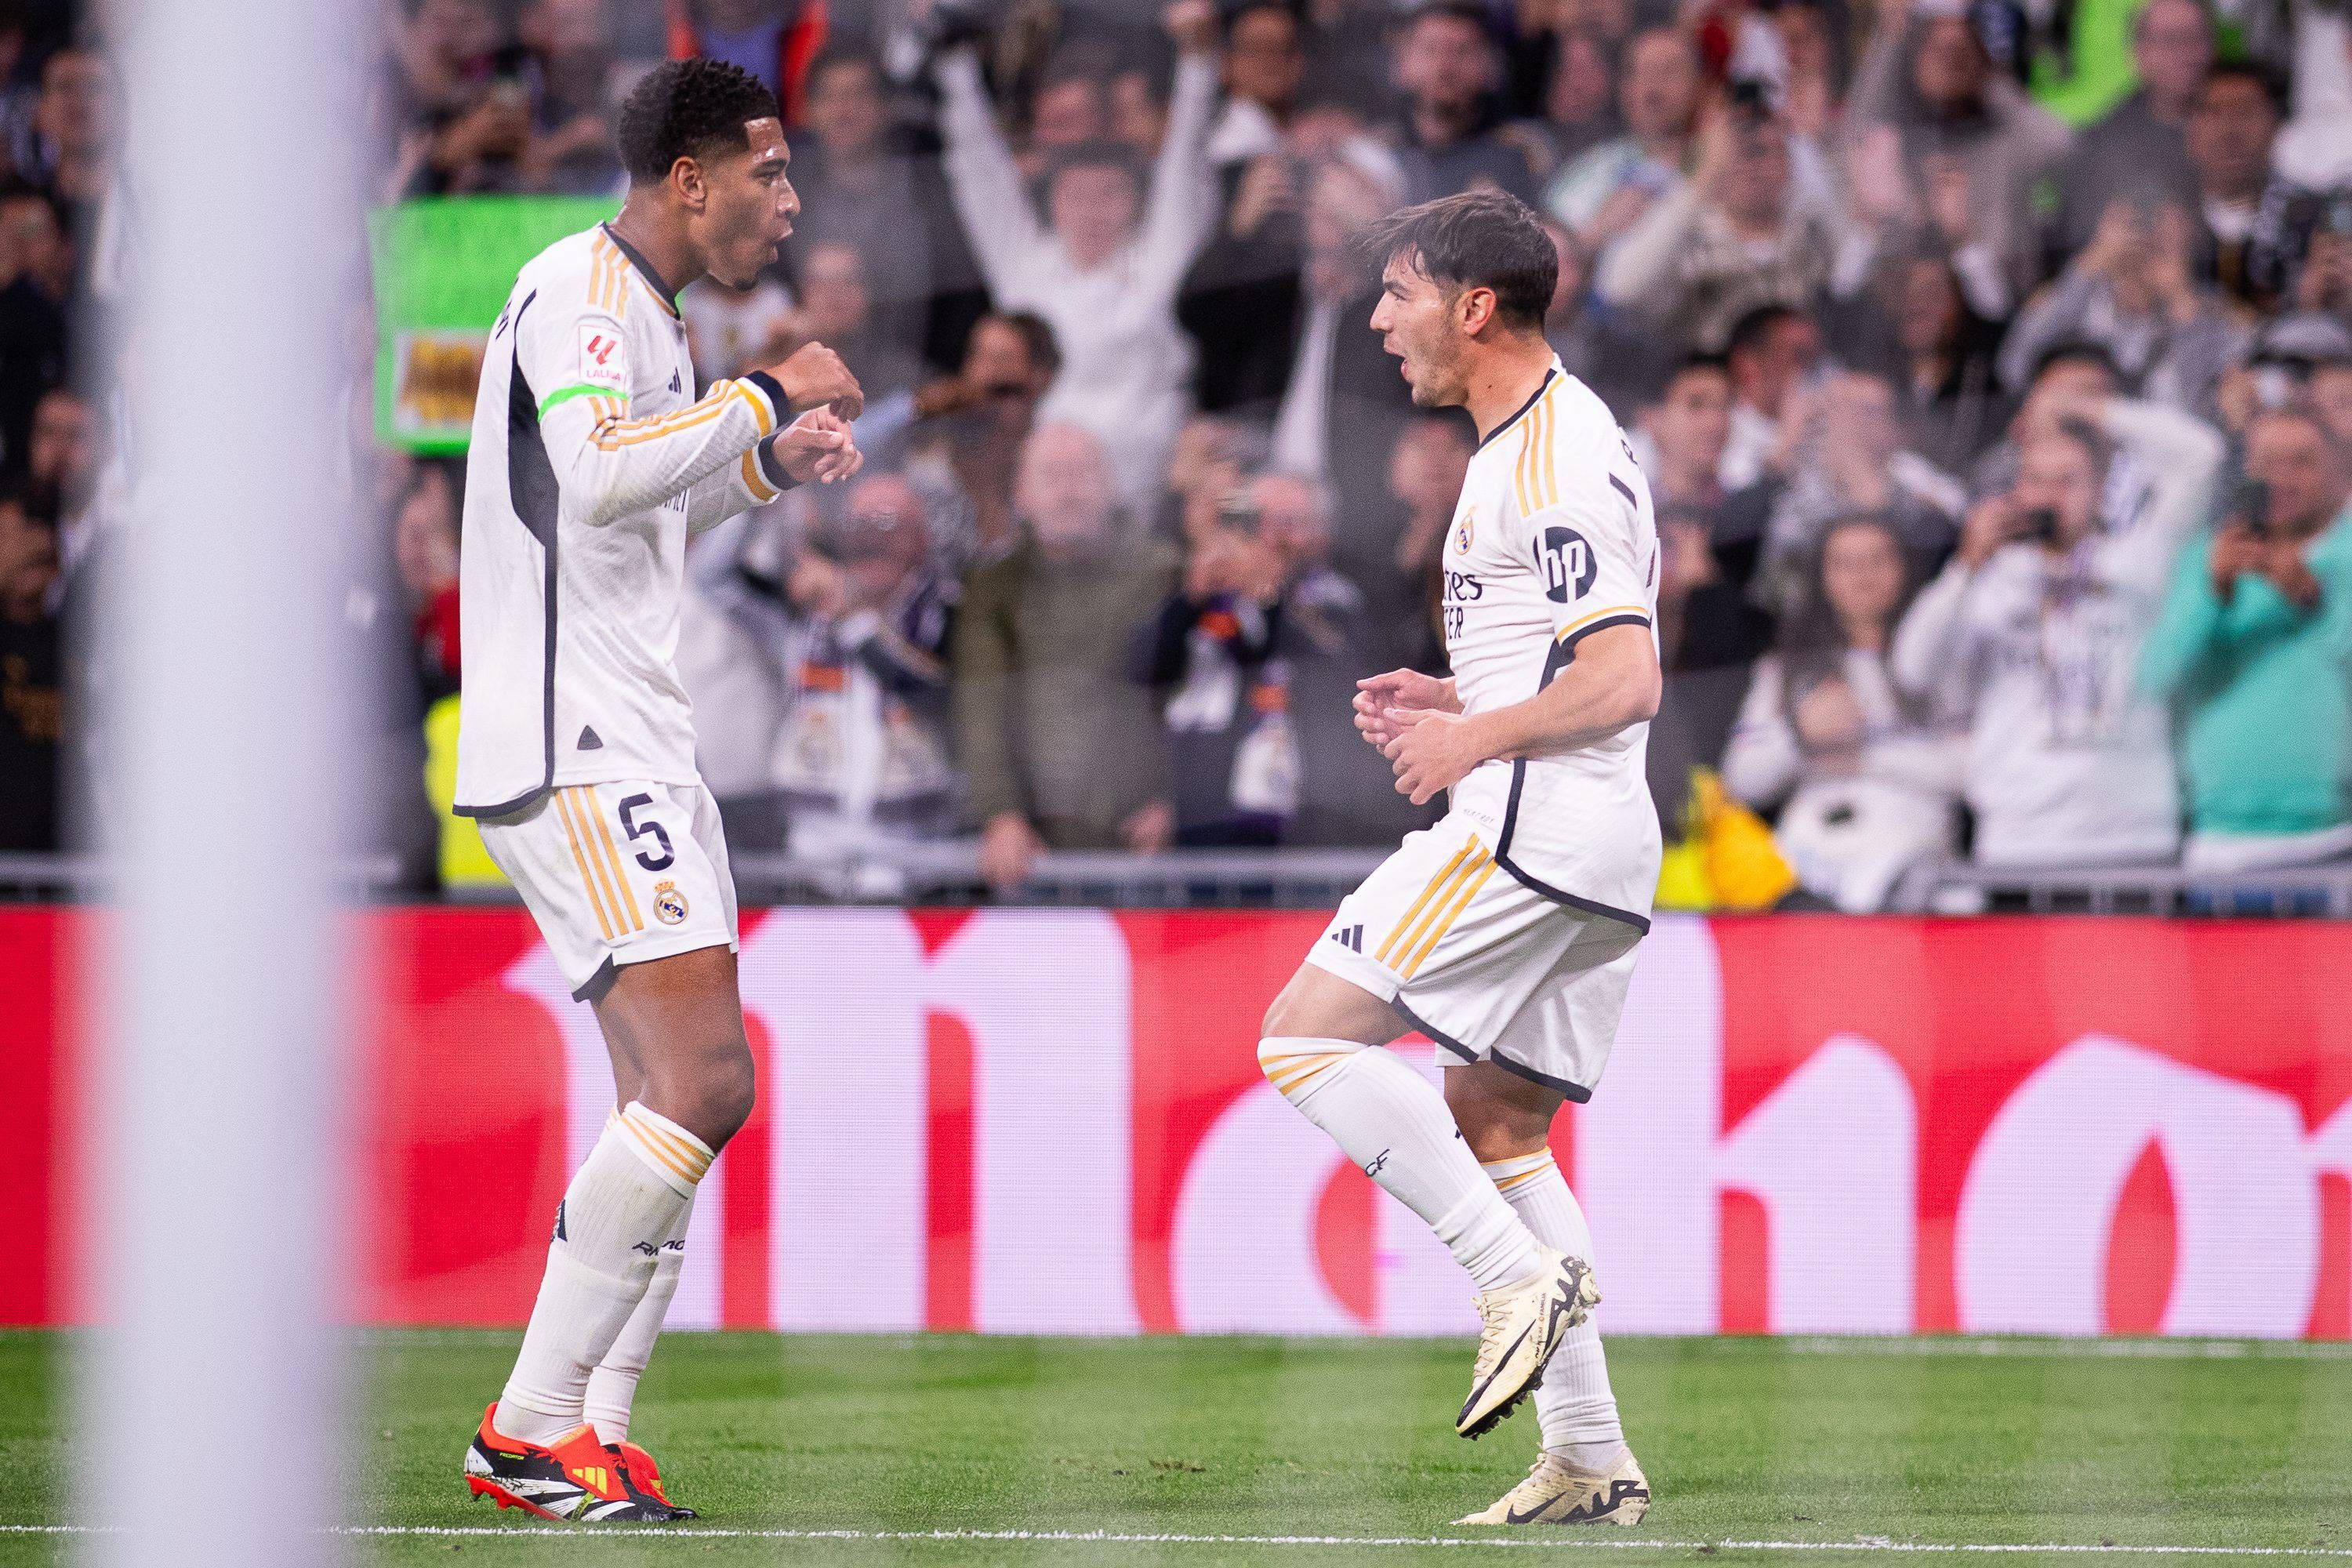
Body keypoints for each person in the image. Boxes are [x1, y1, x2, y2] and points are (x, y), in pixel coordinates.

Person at [451, 57, 867, 1524]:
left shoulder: (652, 314)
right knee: (704, 1082)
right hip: (579, 738)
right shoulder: (578, 284)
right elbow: (594, 470)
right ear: (690, 178)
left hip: (628, 729)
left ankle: (595, 1434)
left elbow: (642, 498)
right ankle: (528, 1427)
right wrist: (766, 390)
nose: (788, 197)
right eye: (769, 170)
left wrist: (764, 465)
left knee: (667, 1092)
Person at [1259, 191, 1656, 1527]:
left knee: (1303, 1042)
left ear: (1474, 308)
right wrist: (1457, 693)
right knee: (1496, 1124)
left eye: (1400, 294)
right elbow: (1569, 658)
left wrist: (1474, 738)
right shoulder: (1529, 442)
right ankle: (1590, 1457)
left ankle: (1508, 1280)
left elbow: (1628, 675)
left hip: (1536, 828)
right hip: (1586, 841)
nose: (1378, 321)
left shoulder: (1549, 459)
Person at [1892, 387, 2223, 869]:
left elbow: (2201, 456)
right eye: (2035, 479)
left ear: (2100, 490)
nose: (2049, 496)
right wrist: (1964, 566)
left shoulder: (2143, 559)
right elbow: (1913, 670)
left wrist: (2088, 406)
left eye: (2069, 480)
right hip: (2018, 836)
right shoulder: (1987, 579)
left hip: (2133, 834)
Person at [934, 1, 1222, 507]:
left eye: (1110, 196)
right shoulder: (1026, 269)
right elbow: (980, 176)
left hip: (1145, 497)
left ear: (1138, 205)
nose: (1093, 213)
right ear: (1052, 207)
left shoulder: (1160, 260)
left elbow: (1185, 159)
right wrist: (954, 65)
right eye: (1077, 198)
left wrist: (1198, 63)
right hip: (1042, 499)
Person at [953, 423, 1178, 888]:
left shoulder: (1165, 575)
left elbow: (1192, 695)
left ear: (1111, 488)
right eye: (1052, 476)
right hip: (1031, 847)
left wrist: (1176, 798)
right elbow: (981, 706)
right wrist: (1000, 814)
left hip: (1145, 842)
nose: (1068, 491)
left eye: (1082, 474)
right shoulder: (994, 588)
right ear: (1023, 494)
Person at [2143, 405, 2352, 870]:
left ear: (2338, 471)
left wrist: (2313, 598)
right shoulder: (2205, 556)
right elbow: (2154, 676)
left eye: (2302, 461)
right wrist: (2212, 593)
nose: (2283, 477)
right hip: (2217, 837)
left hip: (2332, 834)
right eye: (2268, 462)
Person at [1722, 514, 1962, 909]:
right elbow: (1741, 782)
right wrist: (1800, 735)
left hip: (1918, 876)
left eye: (1878, 560)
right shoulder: (1785, 669)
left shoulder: (1940, 662)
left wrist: (1867, 756)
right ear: (1821, 577)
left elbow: (1974, 771)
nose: (1862, 575)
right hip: (1811, 880)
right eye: (1845, 564)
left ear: (1906, 568)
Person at [0, 485, 60, 854]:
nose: (34, 543)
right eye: (11, 535)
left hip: (68, 868)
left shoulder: (80, 643)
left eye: (40, 528)